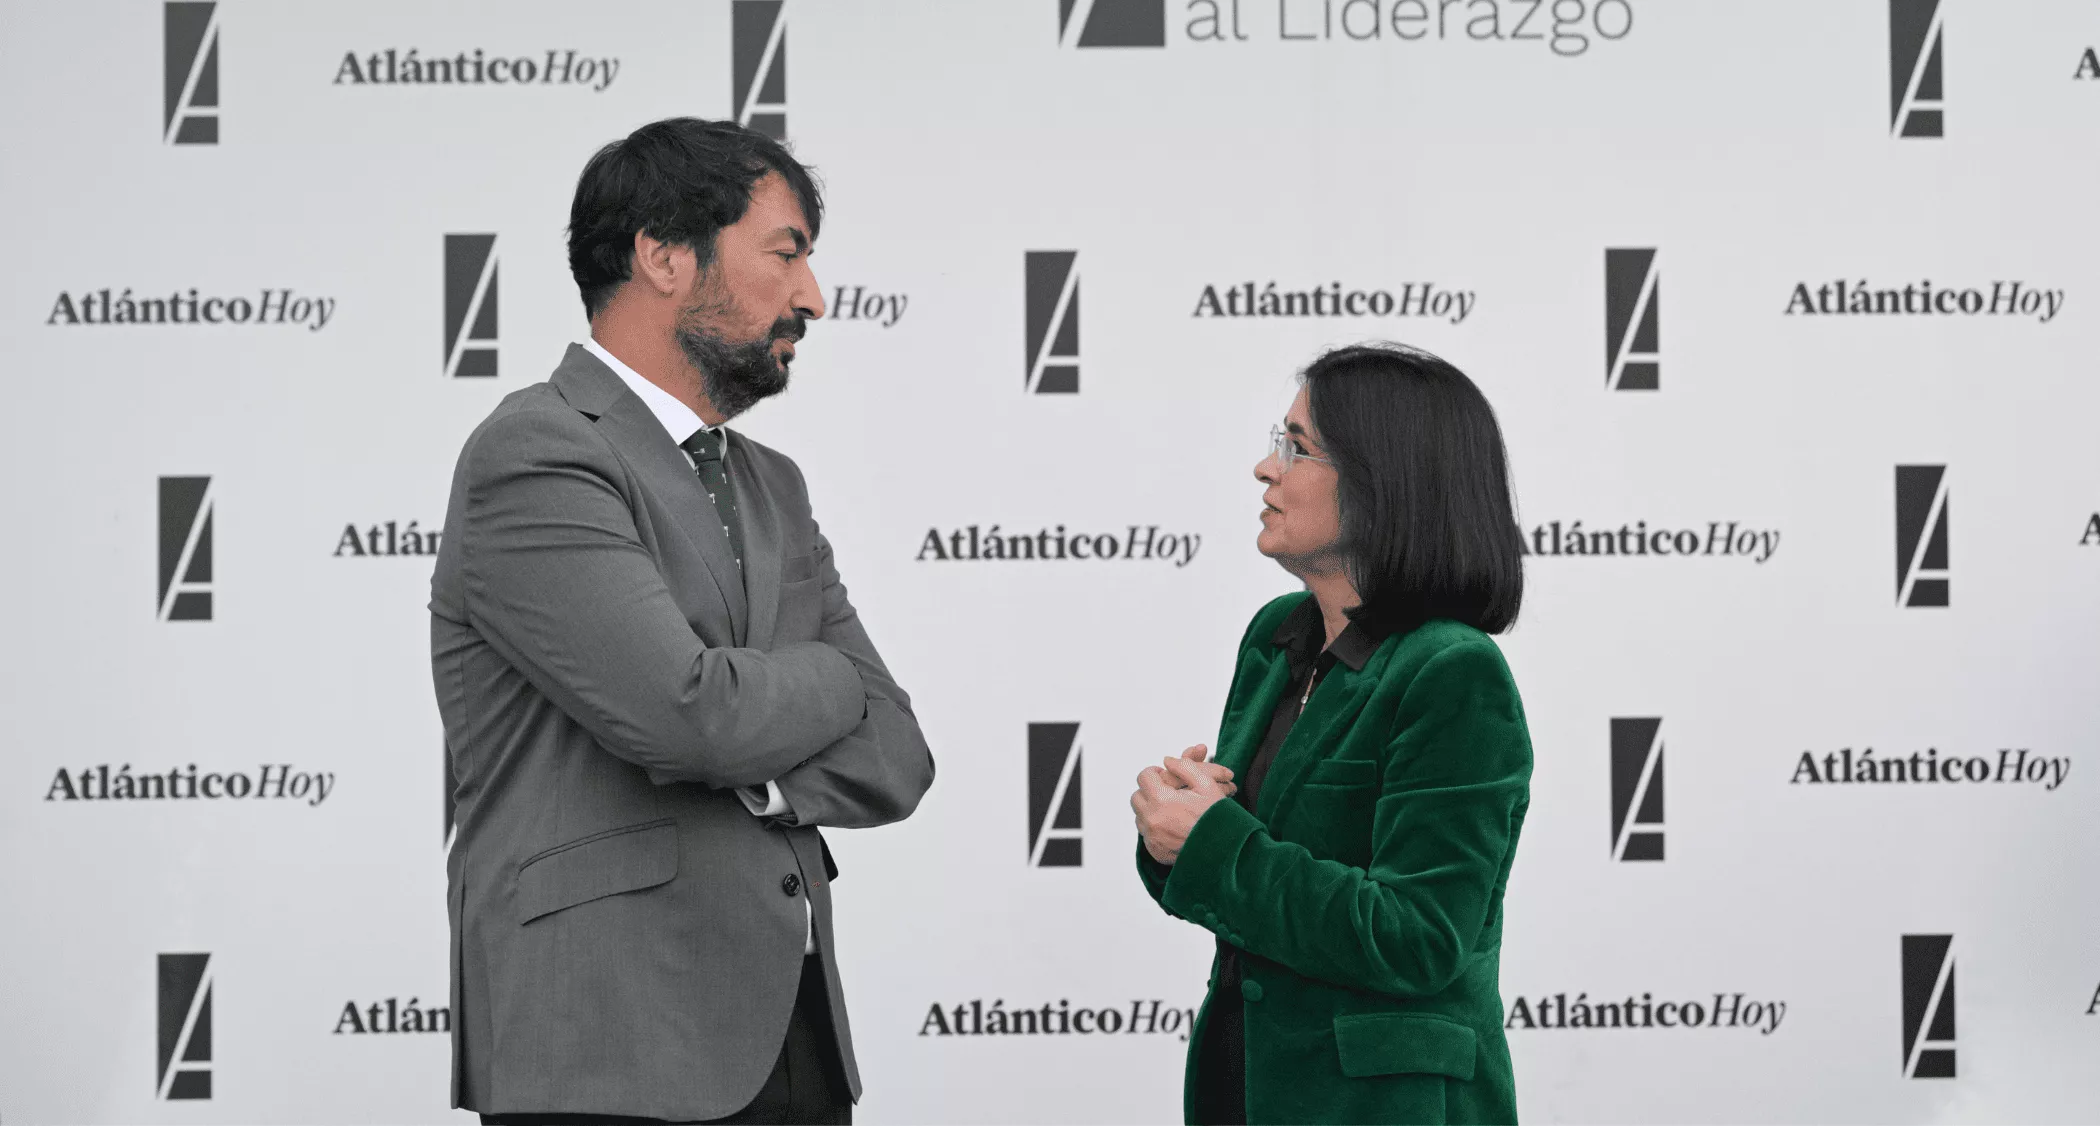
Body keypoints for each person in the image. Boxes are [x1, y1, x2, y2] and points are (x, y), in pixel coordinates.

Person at [430, 117, 935, 1124]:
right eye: (786, 253)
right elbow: (689, 716)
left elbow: (898, 753)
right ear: (662, 256)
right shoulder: (536, 451)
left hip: (794, 1041)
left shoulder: (773, 483)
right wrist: (832, 681)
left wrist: (758, 757)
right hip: (609, 1045)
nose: (813, 297)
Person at [1130, 342, 1532, 1125]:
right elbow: (1242, 883)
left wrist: (1213, 841)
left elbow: (1419, 938)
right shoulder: (1277, 636)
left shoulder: (1453, 671)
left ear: (1384, 481)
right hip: (1246, 1090)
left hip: (1388, 1107)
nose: (1265, 469)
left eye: (1297, 448)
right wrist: (1172, 834)